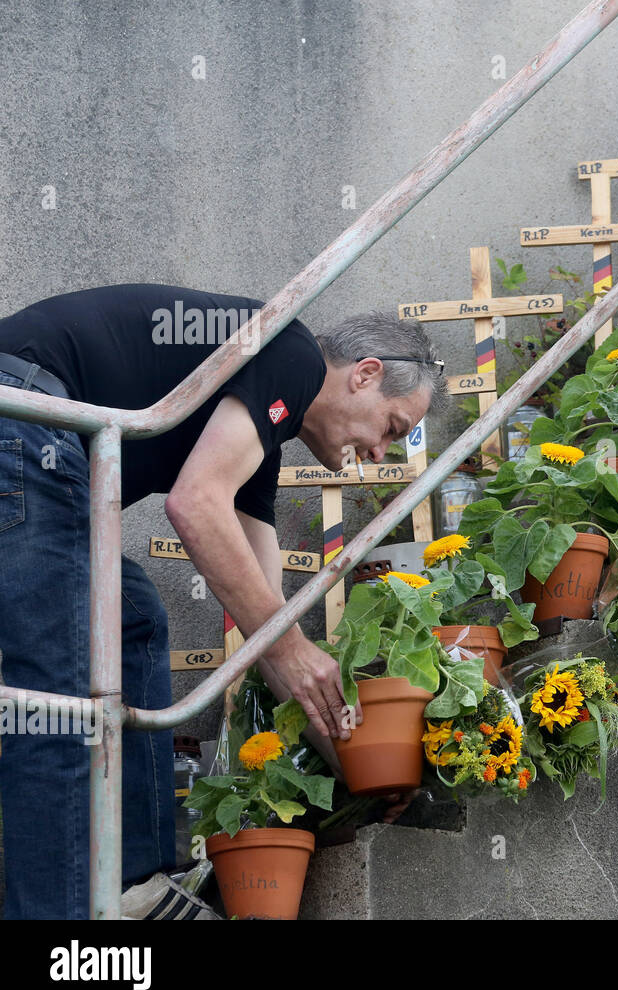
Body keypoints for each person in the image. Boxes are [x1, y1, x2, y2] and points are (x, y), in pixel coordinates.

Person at [0, 283, 444, 918]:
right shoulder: (292, 352)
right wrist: (289, 650)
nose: (378, 454)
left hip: (29, 430)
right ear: (365, 375)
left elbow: (269, 624)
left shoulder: (259, 436)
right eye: (391, 428)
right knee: (65, 690)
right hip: (21, 413)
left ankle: (135, 887)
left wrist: (352, 765)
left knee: (132, 626)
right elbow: (195, 503)